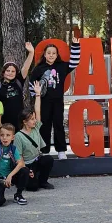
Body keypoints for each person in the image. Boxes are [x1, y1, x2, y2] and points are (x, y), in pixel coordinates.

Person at [28, 26, 83, 160]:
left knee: (58, 124)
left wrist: (75, 46)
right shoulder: (38, 69)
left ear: (57, 55)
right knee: (44, 125)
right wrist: (36, 96)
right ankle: (45, 150)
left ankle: (61, 150)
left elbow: (75, 62)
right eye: (49, 53)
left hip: (58, 101)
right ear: (44, 54)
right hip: (44, 102)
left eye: (54, 53)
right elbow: (31, 84)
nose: (51, 55)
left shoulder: (62, 66)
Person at [13, 82, 54, 191]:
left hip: (36, 160)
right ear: (24, 122)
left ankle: (43, 181)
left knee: (48, 159)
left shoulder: (35, 128)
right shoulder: (18, 136)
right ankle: (24, 179)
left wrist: (38, 94)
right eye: (32, 119)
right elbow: (19, 156)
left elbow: (37, 110)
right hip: (26, 164)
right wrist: (26, 169)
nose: (35, 121)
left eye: (34, 118)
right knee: (33, 187)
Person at [0, 122, 29, 206]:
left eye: (8, 135)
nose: (5, 138)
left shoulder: (13, 149)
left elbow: (20, 163)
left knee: (25, 170)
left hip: (9, 177)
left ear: (13, 137)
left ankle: (18, 195)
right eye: (2, 135)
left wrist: (10, 176)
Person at [0, 43, 35, 132]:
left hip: (19, 122)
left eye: (13, 71)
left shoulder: (19, 81)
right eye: (8, 71)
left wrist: (31, 53)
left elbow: (26, 68)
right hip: (5, 122)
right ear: (3, 72)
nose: (10, 73)